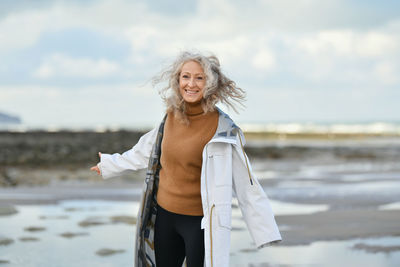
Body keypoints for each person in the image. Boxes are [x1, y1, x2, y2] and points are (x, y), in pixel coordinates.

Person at [90, 51, 281, 267]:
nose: (191, 84)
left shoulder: (224, 130)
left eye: (199, 78)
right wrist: (109, 164)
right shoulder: (170, 116)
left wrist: (265, 231)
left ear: (210, 83)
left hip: (199, 224)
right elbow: (143, 151)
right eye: (186, 77)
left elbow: (246, 184)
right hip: (164, 217)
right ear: (177, 80)